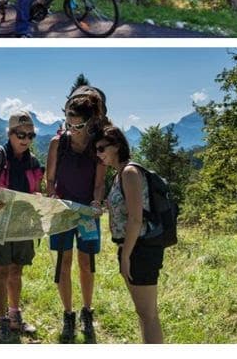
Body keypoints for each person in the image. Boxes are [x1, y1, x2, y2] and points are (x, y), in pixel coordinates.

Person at [45, 93, 107, 343]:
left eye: (77, 125)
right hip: (61, 210)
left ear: (90, 123)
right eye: (68, 122)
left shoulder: (98, 146)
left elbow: (100, 183)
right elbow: (50, 180)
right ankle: (68, 313)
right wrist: (51, 196)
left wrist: (96, 202)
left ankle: (87, 311)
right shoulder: (57, 143)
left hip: (86, 213)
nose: (72, 129)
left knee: (86, 263)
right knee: (63, 261)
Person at [0, 110, 45, 343]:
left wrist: (37, 196)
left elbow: (36, 190)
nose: (26, 139)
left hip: (23, 222)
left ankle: (15, 315)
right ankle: (2, 321)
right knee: (1, 272)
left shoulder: (34, 162)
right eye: (20, 134)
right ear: (10, 133)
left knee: (17, 270)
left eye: (30, 135)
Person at [97, 125, 165, 343]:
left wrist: (126, 256)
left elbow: (136, 219)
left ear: (116, 146)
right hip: (133, 248)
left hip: (140, 250)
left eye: (101, 148)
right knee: (145, 314)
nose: (98, 154)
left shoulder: (129, 173)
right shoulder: (120, 174)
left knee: (149, 315)